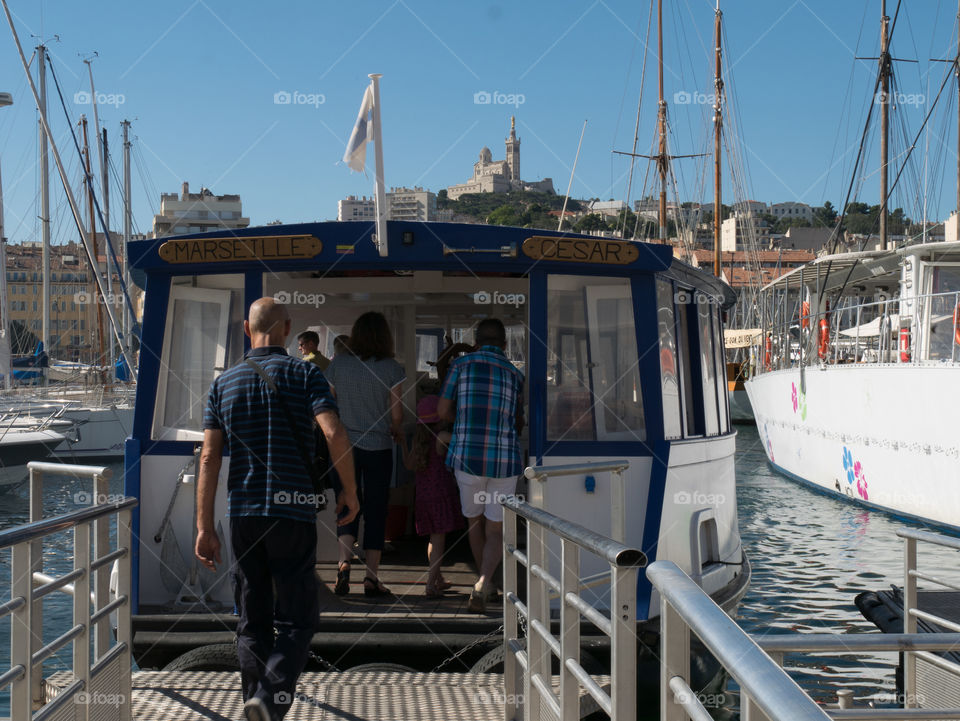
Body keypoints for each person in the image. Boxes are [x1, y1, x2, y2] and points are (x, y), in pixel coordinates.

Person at [195, 297, 360, 721]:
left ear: (247, 331)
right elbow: (333, 431)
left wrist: (203, 527)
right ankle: (267, 702)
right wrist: (350, 491)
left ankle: (259, 706)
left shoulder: (223, 384)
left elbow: (209, 459)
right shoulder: (306, 373)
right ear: (287, 329)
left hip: (244, 515)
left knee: (252, 619)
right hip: (293, 512)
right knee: (298, 621)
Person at [438, 318, 524, 613]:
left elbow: (441, 411)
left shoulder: (460, 366)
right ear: (503, 344)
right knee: (496, 529)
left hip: (468, 458)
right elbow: (517, 419)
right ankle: (484, 582)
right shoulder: (515, 374)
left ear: (476, 341)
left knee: (474, 523)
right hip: (504, 461)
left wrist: (462, 422)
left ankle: (484, 583)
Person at [324, 311, 405, 597]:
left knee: (347, 504)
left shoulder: (338, 366)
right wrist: (396, 429)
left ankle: (343, 565)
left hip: (343, 448)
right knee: (375, 510)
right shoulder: (392, 369)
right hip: (379, 448)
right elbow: (396, 415)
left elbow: (328, 408)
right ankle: (371, 578)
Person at [400, 395, 464, 597]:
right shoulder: (441, 436)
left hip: (423, 497)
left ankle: (438, 578)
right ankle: (429, 585)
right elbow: (462, 441)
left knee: (432, 539)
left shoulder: (419, 440)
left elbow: (408, 466)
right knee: (439, 540)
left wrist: (402, 444)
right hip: (441, 495)